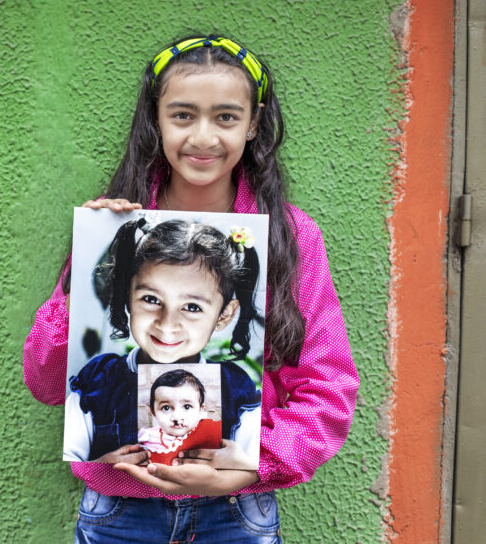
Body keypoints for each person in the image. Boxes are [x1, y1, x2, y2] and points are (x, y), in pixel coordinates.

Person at [23, 34, 359, 543]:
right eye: (183, 115)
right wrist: (90, 277)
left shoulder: (291, 236)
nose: (203, 137)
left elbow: (327, 386)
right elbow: (46, 383)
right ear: (155, 122)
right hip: (119, 514)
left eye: (225, 117)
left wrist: (252, 465)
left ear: (253, 125)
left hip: (236, 514)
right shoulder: (113, 232)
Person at [61, 219, 261, 466]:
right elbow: (70, 463)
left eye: (191, 307)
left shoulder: (236, 388)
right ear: (127, 296)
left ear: (224, 315)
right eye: (151, 299)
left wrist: (241, 468)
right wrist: (103, 469)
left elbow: (257, 466)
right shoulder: (98, 380)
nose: (167, 324)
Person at [138, 369, 223, 466]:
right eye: (166, 408)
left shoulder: (208, 435)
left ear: (200, 409)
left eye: (187, 407)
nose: (177, 417)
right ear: (153, 411)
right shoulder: (146, 437)